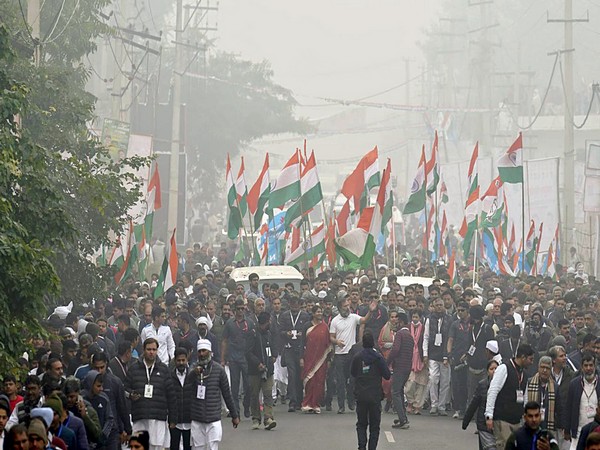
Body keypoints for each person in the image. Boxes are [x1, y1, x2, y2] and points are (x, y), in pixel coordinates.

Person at [185, 339, 240, 449]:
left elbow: (226, 394)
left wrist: (234, 415)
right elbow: (186, 386)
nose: (201, 354)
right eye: (199, 351)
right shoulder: (192, 368)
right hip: (197, 417)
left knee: (212, 447)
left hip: (213, 417)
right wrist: (194, 374)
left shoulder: (219, 370)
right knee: (198, 447)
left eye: (204, 351)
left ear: (210, 352)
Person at [330, 295, 377, 414]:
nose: (347, 308)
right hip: (340, 354)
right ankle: (341, 406)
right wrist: (337, 342)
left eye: (348, 306)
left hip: (352, 354)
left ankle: (351, 400)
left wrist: (370, 311)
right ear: (340, 308)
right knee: (340, 381)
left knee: (353, 379)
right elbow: (331, 337)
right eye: (345, 306)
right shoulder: (335, 321)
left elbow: (364, 320)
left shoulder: (353, 317)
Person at [125, 338, 175, 450]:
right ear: (143, 350)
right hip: (140, 415)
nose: (151, 352)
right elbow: (125, 388)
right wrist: (131, 394)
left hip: (158, 416)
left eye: (154, 349)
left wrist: (173, 418)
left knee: (156, 446)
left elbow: (171, 395)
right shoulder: (134, 368)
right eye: (149, 349)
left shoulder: (164, 370)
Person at [486, 343, 536, 450]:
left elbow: (525, 397)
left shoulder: (525, 374)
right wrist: (489, 415)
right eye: (530, 359)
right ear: (523, 357)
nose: (532, 363)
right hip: (502, 419)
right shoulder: (504, 368)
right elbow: (493, 391)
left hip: (517, 421)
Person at [351, 331, 391, 450]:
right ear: (373, 343)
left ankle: (361, 446)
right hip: (375, 395)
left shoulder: (357, 357)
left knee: (361, 424)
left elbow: (353, 373)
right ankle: (372, 447)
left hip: (361, 395)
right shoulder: (378, 358)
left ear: (363, 343)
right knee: (374, 426)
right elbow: (387, 375)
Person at [221, 298, 255, 419]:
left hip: (246, 358)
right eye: (238, 309)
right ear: (234, 310)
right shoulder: (229, 323)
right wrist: (223, 359)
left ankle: (246, 406)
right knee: (234, 387)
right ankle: (236, 410)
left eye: (242, 308)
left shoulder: (249, 322)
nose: (241, 311)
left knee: (248, 385)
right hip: (233, 358)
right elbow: (224, 341)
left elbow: (253, 341)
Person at [279, 295, 310, 413]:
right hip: (289, 348)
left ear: (299, 304)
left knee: (300, 375)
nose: (294, 305)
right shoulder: (285, 316)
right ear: (289, 304)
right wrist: (286, 333)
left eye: (296, 303)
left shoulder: (305, 316)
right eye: (292, 303)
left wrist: (303, 334)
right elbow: (280, 331)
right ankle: (292, 402)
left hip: (301, 348)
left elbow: (308, 330)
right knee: (292, 375)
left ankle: (300, 400)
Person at [246, 312, 277, 430]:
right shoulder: (252, 334)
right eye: (269, 321)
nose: (270, 323)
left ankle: (268, 418)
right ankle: (255, 418)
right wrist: (257, 363)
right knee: (254, 395)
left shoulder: (269, 333)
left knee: (268, 394)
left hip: (268, 370)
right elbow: (248, 352)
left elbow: (273, 346)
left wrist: (273, 356)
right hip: (254, 371)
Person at [423, 297, 453, 416]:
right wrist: (425, 354)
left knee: (445, 381)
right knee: (433, 379)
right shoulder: (429, 319)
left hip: (445, 354)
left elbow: (451, 338)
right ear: (433, 306)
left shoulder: (450, 319)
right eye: (437, 305)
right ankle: (434, 404)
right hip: (433, 353)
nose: (439, 307)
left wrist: (448, 354)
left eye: (441, 305)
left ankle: (442, 405)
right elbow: (426, 337)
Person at [300, 305, 332, 414]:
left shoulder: (325, 327)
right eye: (317, 312)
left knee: (319, 381)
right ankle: (307, 404)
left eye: (320, 312)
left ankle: (316, 404)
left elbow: (328, 344)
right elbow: (302, 343)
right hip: (309, 357)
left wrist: (328, 360)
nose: (319, 313)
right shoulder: (307, 326)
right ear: (313, 314)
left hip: (321, 359)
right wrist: (301, 358)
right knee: (310, 380)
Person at [565, 352, 600, 450]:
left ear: (595, 366)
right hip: (578, 430)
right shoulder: (574, 384)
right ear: (581, 367)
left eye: (591, 365)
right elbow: (569, 407)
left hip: (596, 430)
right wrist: (567, 429)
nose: (588, 368)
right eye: (586, 366)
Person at [462, 359, 499, 450]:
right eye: (491, 369)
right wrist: (465, 422)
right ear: (487, 371)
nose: (494, 371)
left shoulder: (503, 385)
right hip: (483, 424)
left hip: (498, 424)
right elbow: (474, 404)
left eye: (496, 368)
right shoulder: (482, 385)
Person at [387, 311, 413, 429]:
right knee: (400, 391)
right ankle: (403, 416)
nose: (395, 324)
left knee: (395, 392)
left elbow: (395, 349)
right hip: (407, 367)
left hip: (400, 367)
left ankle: (403, 420)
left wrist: (387, 361)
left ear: (401, 322)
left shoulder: (400, 334)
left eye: (397, 322)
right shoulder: (409, 336)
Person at [526, 356, 559, 435]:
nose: (544, 370)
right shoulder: (529, 382)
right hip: (531, 423)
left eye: (547, 368)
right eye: (542, 367)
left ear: (551, 370)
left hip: (547, 425)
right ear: (538, 368)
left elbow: (558, 408)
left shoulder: (555, 386)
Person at [404, 309, 428, 415]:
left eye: (417, 317)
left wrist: (426, 356)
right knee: (410, 384)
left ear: (420, 318)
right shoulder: (407, 328)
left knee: (421, 384)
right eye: (413, 317)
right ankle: (410, 402)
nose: (415, 319)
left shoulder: (424, 328)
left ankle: (418, 406)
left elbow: (427, 341)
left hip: (422, 358)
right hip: (409, 359)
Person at [170, 348, 191, 450]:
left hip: (190, 420)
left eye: (183, 360)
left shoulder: (193, 376)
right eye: (179, 360)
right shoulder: (169, 377)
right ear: (175, 361)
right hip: (175, 422)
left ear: (187, 359)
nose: (181, 363)